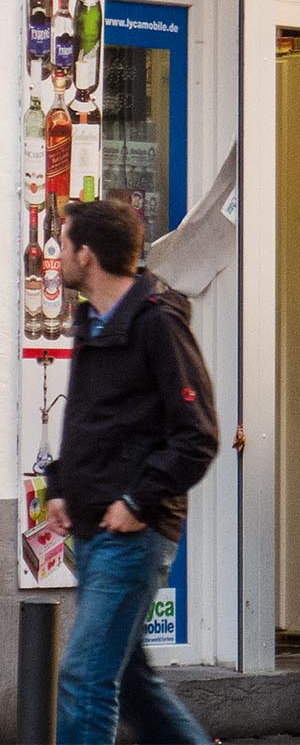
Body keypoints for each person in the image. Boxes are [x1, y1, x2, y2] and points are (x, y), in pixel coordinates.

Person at [45, 200, 219, 745]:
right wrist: (61, 485)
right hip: (97, 529)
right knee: (133, 681)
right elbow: (97, 420)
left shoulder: (157, 326)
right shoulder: (92, 321)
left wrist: (137, 500)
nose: (57, 257)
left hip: (133, 531)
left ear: (87, 254)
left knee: (84, 676)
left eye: (64, 244)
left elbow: (198, 435)